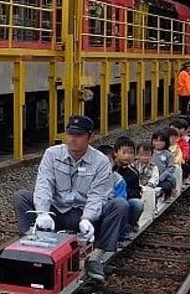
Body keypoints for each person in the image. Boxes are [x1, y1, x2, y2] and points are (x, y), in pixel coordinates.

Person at [13, 115, 129, 282]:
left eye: (79, 135)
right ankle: (30, 247)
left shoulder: (101, 161)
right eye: (70, 134)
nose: (72, 139)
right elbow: (43, 184)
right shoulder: (51, 154)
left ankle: (96, 258)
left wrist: (88, 217)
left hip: (82, 216)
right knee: (21, 197)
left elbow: (98, 194)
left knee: (120, 205)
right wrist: (42, 212)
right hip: (56, 212)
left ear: (90, 137)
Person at [112, 136, 143, 240]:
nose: (127, 156)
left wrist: (124, 194)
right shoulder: (110, 168)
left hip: (126, 200)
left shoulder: (133, 172)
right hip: (110, 199)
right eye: (124, 152)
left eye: (130, 153)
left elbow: (137, 192)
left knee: (137, 204)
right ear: (116, 153)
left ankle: (129, 227)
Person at [151, 129, 176, 198]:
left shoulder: (168, 154)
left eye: (161, 141)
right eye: (156, 141)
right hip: (150, 176)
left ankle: (166, 197)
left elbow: (171, 167)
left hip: (162, 178)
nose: (158, 143)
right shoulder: (149, 152)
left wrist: (164, 174)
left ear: (166, 142)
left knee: (167, 186)